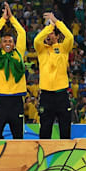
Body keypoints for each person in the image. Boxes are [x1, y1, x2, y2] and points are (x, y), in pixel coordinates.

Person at [0, 2, 27, 139]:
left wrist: (12, 18)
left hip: (16, 101)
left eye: (10, 41)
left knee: (18, 137)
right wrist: (3, 20)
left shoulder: (19, 53)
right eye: (5, 41)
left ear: (14, 44)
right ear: (1, 44)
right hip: (1, 101)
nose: (8, 44)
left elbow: (22, 33)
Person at [33, 11, 74, 139]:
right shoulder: (41, 49)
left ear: (57, 36)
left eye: (51, 34)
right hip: (46, 95)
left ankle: (65, 157)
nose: (48, 36)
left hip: (61, 95)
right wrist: (49, 27)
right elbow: (37, 39)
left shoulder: (63, 48)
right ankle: (44, 157)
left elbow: (70, 37)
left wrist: (56, 22)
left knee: (65, 129)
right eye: (47, 34)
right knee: (45, 129)